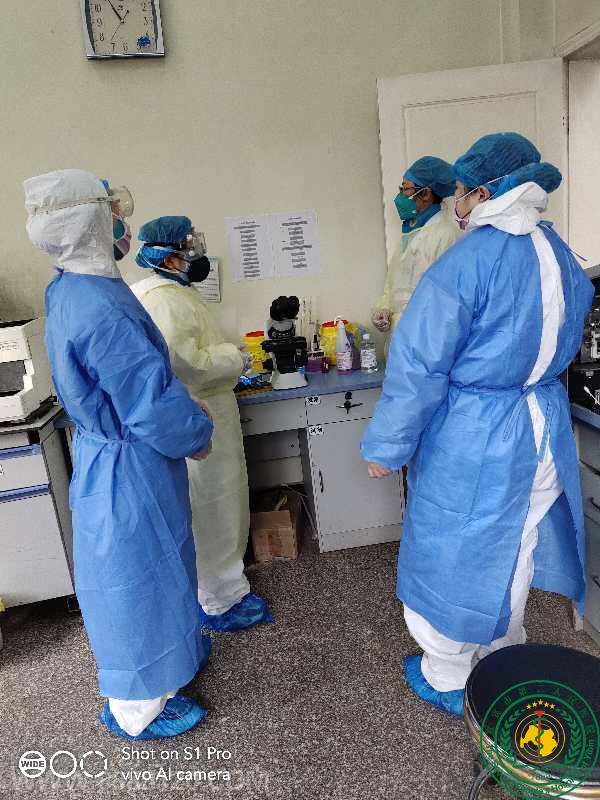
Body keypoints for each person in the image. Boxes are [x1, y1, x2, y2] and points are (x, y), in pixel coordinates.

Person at [361, 133, 594, 716]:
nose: (456, 201)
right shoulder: (560, 252)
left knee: (452, 550)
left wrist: (387, 445)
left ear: (486, 192)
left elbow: (420, 364)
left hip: (479, 432)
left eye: (462, 190)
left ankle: (447, 671)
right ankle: (501, 654)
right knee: (515, 544)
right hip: (543, 428)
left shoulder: (468, 263)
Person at [24, 170, 214, 740]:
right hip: (130, 463)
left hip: (116, 455)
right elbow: (147, 399)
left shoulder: (73, 287)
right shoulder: (101, 307)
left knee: (157, 569)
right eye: (111, 211)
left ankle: (167, 665)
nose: (122, 222)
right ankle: (137, 707)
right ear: (89, 221)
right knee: (135, 579)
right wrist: (196, 434)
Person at [132, 216, 273, 631]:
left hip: (201, 411)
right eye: (188, 246)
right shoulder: (164, 301)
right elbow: (187, 364)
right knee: (215, 506)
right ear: (168, 257)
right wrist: (236, 358)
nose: (197, 254)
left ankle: (217, 590)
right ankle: (221, 600)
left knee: (212, 504)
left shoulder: (166, 293)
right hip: (201, 413)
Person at [372, 156, 461, 347]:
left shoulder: (446, 235)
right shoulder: (410, 235)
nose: (401, 196)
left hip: (426, 341)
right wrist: (384, 308)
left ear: (426, 194)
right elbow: (394, 285)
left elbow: (448, 299)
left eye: (405, 189)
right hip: (402, 339)